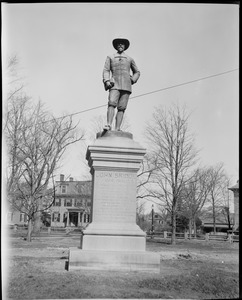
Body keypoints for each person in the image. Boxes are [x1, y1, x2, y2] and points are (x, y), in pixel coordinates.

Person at [102, 38, 140, 131]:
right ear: (116, 46)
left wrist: (132, 80)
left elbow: (137, 72)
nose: (120, 45)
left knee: (122, 107)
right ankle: (108, 125)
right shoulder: (110, 57)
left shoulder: (130, 59)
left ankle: (117, 128)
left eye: (122, 44)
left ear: (125, 46)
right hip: (114, 84)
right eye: (118, 44)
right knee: (111, 103)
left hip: (126, 86)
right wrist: (107, 81)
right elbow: (106, 70)